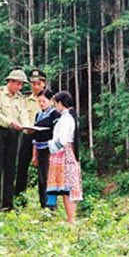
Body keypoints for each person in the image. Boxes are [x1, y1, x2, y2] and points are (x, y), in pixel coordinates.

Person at [0, 69, 29, 211]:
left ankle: (8, 203)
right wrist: (10, 122)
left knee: (11, 168)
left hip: (14, 133)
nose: (20, 87)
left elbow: (23, 114)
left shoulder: (20, 98)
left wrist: (27, 127)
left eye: (21, 85)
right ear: (10, 82)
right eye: (18, 84)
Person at [45, 91, 83, 223]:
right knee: (65, 187)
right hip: (63, 152)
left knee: (68, 188)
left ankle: (71, 219)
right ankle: (70, 219)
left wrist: (49, 145)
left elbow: (62, 139)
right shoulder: (67, 117)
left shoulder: (67, 119)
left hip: (64, 153)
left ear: (60, 104)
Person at [14, 68, 47, 199]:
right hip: (27, 134)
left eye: (38, 83)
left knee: (44, 170)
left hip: (43, 137)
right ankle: (19, 197)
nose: (36, 86)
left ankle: (46, 201)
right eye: (33, 83)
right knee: (22, 166)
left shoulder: (49, 99)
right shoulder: (25, 99)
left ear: (44, 84)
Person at [30, 88, 60, 208]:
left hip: (51, 150)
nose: (41, 104)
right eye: (40, 102)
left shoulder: (55, 114)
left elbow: (57, 134)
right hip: (40, 149)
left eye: (44, 101)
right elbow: (35, 137)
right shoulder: (38, 115)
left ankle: (52, 205)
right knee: (42, 179)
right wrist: (34, 154)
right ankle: (43, 205)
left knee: (50, 179)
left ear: (51, 101)